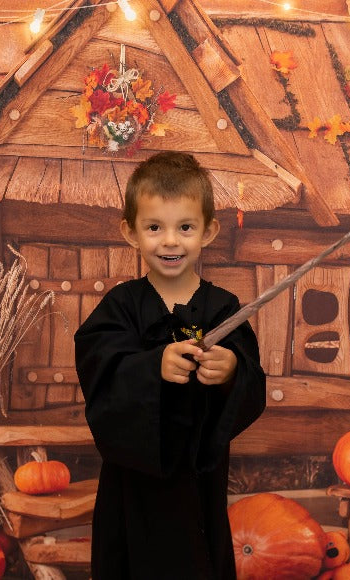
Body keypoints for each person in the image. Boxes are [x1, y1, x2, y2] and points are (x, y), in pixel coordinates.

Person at [74, 151, 267, 579]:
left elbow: (251, 379)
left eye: (185, 227)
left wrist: (230, 370)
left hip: (199, 474)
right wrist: (151, 368)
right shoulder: (120, 306)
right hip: (133, 482)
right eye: (154, 227)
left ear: (208, 231)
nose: (170, 241)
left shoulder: (222, 308)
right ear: (131, 232)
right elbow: (99, 367)